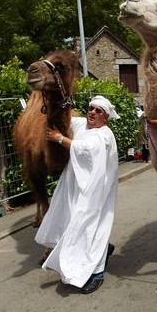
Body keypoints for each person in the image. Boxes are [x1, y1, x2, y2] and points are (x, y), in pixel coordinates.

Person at [35, 95, 120, 294]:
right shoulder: (83, 125)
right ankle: (103, 250)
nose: (92, 113)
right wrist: (53, 103)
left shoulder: (104, 135)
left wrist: (60, 139)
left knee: (90, 226)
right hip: (76, 185)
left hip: (95, 192)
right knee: (74, 222)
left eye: (98, 111)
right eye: (91, 108)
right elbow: (65, 120)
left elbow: (86, 149)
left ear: (105, 118)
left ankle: (96, 273)